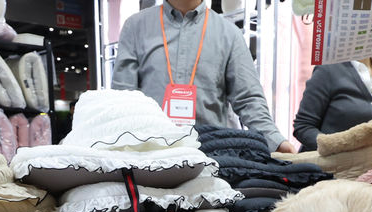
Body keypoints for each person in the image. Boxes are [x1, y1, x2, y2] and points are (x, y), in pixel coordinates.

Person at [111, 0, 296, 154]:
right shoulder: (136, 26)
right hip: (150, 153)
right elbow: (124, 98)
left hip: (210, 155)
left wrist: (276, 141)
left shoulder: (228, 33)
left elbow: (249, 99)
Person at [292, 57, 372, 151]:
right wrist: (335, 148)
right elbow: (303, 126)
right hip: (328, 168)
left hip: (370, 167)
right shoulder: (329, 69)